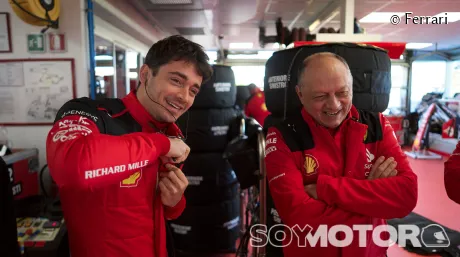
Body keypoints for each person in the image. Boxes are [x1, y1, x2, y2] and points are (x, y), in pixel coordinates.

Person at [46, 35, 213, 257]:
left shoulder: (171, 134)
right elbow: (71, 167)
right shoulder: (92, 114)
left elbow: (157, 209)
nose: (184, 97)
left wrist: (174, 202)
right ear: (145, 75)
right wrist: (160, 144)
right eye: (176, 81)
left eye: (193, 90)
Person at [264, 52, 418, 257]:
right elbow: (298, 218)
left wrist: (325, 188)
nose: (334, 105)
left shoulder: (377, 125)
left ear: (352, 87)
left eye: (342, 93)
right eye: (320, 96)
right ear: (300, 94)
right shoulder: (282, 135)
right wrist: (370, 197)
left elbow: (406, 196)